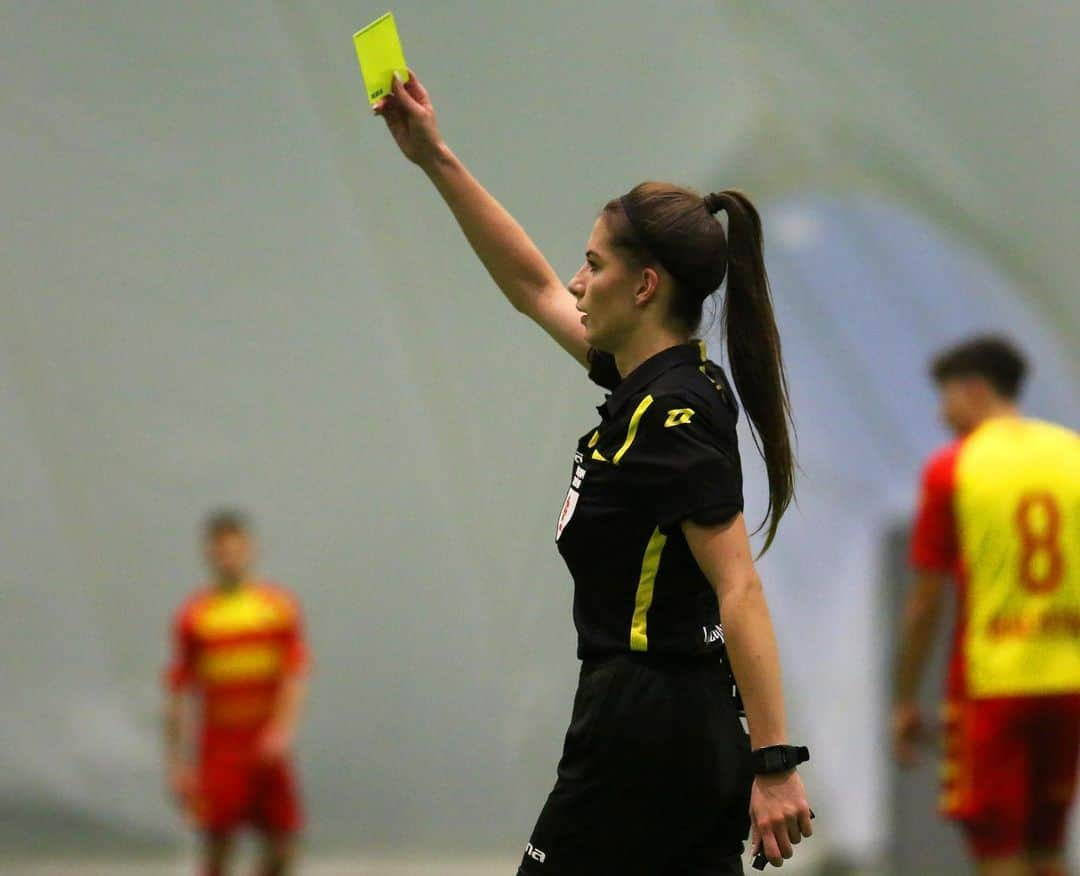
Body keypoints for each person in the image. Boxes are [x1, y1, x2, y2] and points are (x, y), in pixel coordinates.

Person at [374, 71, 812, 874]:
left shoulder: (672, 417)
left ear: (644, 287)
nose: (577, 281)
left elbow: (739, 587)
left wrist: (777, 762)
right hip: (673, 722)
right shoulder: (648, 381)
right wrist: (434, 159)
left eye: (594, 264)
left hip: (645, 723)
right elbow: (530, 287)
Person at [894, 336, 1080, 876]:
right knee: (1047, 848)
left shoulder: (954, 468)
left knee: (998, 852)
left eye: (946, 396)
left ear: (974, 391)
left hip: (994, 686)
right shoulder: (1072, 454)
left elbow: (925, 600)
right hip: (1068, 680)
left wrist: (905, 696)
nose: (941, 412)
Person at [164, 511, 309, 876]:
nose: (229, 557)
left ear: (251, 551)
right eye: (221, 550)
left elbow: (295, 673)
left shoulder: (277, 607)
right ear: (209, 554)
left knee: (283, 843)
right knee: (217, 845)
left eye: (236, 549)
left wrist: (283, 729)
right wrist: (178, 762)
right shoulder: (195, 616)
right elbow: (179, 692)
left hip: (263, 740)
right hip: (220, 745)